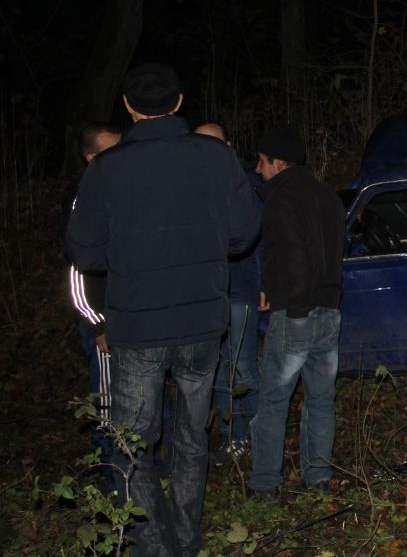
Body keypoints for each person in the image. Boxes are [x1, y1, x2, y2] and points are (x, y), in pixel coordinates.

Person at [66, 63, 261, 556]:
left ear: (128, 107)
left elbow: (84, 251)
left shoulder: (106, 169)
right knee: (192, 437)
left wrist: (130, 253)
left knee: (134, 443)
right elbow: (244, 235)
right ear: (178, 103)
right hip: (202, 323)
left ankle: (155, 546)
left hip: (138, 326)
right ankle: (186, 540)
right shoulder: (217, 157)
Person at [248, 126, 344, 497]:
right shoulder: (327, 195)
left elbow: (292, 255)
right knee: (321, 398)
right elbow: (329, 253)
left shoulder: (281, 198)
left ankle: (265, 484)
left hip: (297, 314)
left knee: (274, 399)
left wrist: (291, 303)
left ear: (279, 163)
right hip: (329, 310)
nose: (258, 169)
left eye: (262, 161)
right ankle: (317, 478)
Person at [194, 122, 263, 463]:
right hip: (207, 293)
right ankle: (231, 436)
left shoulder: (246, 183)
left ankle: (259, 436)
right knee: (218, 369)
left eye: (214, 144)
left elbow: (262, 237)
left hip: (241, 288)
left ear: (229, 145)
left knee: (241, 365)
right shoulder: (192, 185)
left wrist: (264, 283)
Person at [63, 121, 121, 489]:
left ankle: (140, 469)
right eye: (111, 151)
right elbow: (77, 272)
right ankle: (108, 474)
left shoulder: (123, 191)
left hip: (131, 314)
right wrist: (97, 323)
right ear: (90, 158)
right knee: (108, 400)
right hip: (103, 323)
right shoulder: (81, 201)